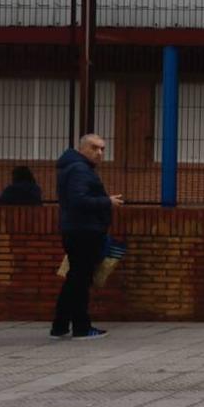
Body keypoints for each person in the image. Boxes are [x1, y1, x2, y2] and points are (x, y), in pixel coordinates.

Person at [53, 135, 122, 340]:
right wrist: (106, 201)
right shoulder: (79, 170)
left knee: (74, 279)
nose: (99, 153)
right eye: (94, 148)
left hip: (77, 229)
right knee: (81, 281)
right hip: (84, 231)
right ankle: (82, 327)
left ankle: (60, 325)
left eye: (102, 149)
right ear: (82, 148)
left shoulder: (73, 167)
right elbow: (78, 200)